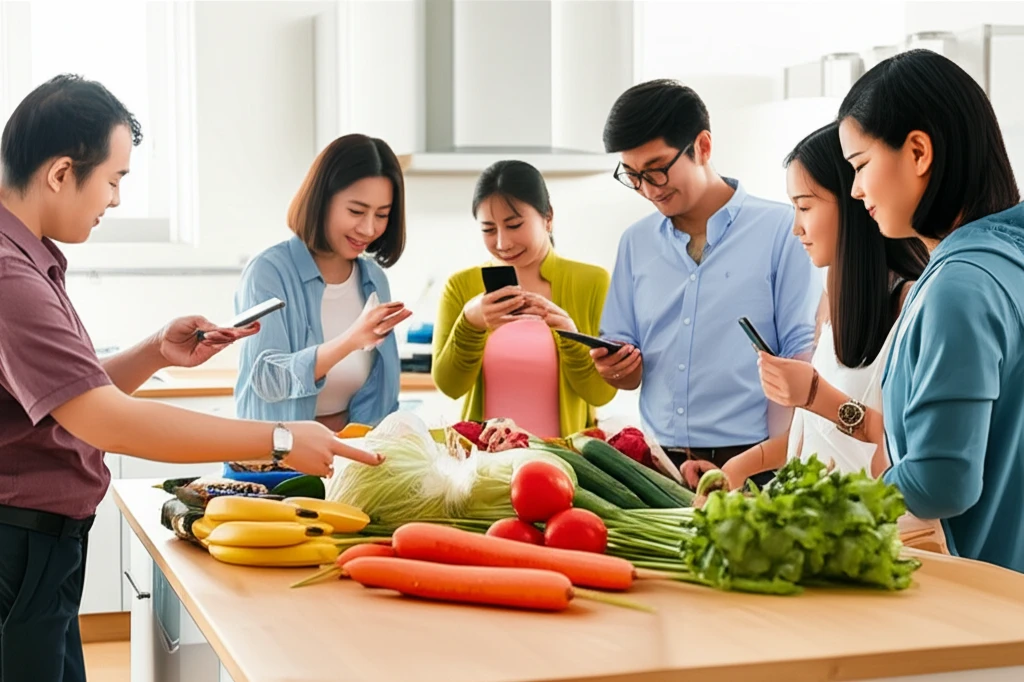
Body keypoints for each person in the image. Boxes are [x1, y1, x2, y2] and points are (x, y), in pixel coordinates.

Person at [0, 76, 381, 682]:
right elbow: (106, 421)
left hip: (38, 548)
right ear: (61, 172)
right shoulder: (10, 276)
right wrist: (279, 438)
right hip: (19, 548)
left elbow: (67, 394)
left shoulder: (28, 259)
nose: (117, 199)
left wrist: (155, 351)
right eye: (114, 179)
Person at [836, 49, 1024, 572]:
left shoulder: (960, 285)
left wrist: (831, 508)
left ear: (918, 152)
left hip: (996, 604)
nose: (855, 189)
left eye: (861, 165)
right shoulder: (1010, 259)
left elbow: (943, 480)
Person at [680, 122, 928, 491]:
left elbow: (909, 448)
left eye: (805, 207)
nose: (796, 227)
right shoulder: (830, 304)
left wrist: (815, 394)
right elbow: (815, 433)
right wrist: (742, 465)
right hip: (825, 525)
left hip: (887, 531)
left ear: (855, 202)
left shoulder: (912, 305)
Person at [593, 79, 820, 481]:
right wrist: (616, 368)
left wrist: (777, 466)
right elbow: (626, 370)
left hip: (756, 464)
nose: (647, 189)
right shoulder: (635, 242)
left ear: (702, 147)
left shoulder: (782, 231)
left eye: (657, 170)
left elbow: (799, 356)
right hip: (658, 464)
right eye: (632, 176)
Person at [233, 134, 412, 434]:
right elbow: (267, 377)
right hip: (277, 464)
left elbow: (381, 394)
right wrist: (351, 340)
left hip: (350, 459)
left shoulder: (374, 279)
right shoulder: (268, 272)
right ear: (322, 200)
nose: (369, 228)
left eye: (382, 215)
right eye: (356, 211)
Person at [432, 160, 615, 436]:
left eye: (514, 225)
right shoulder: (461, 286)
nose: (503, 243)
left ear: (548, 217)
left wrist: (570, 336)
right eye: (488, 230)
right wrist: (470, 322)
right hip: (484, 464)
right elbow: (449, 386)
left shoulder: (592, 282)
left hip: (565, 463)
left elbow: (601, 394)